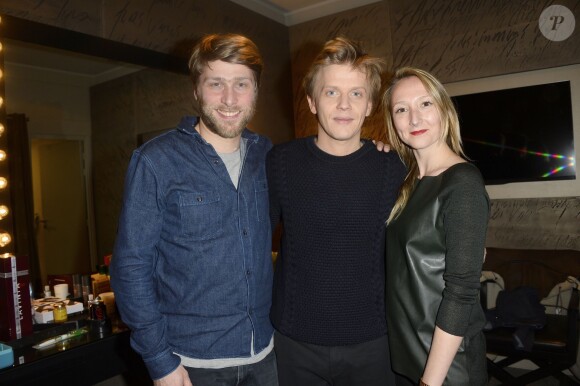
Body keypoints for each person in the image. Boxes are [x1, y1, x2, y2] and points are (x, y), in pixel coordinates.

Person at [110, 33, 277, 386]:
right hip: (190, 366)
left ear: (256, 90)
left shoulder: (269, 156)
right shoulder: (156, 161)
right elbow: (131, 268)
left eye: (241, 84)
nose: (230, 99)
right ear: (196, 90)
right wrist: (159, 363)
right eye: (216, 83)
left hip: (266, 357)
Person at [267, 37, 407, 386]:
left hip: (374, 345)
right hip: (294, 344)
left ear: (371, 103)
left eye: (356, 93)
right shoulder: (280, 163)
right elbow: (250, 245)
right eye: (331, 92)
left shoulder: (394, 166)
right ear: (312, 102)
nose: (344, 104)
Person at [382, 67, 490, 386]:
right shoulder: (405, 183)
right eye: (402, 109)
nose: (414, 119)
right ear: (393, 121)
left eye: (425, 104)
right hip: (409, 357)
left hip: (446, 368)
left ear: (444, 108)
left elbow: (460, 293)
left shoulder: (462, 182)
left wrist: (430, 382)